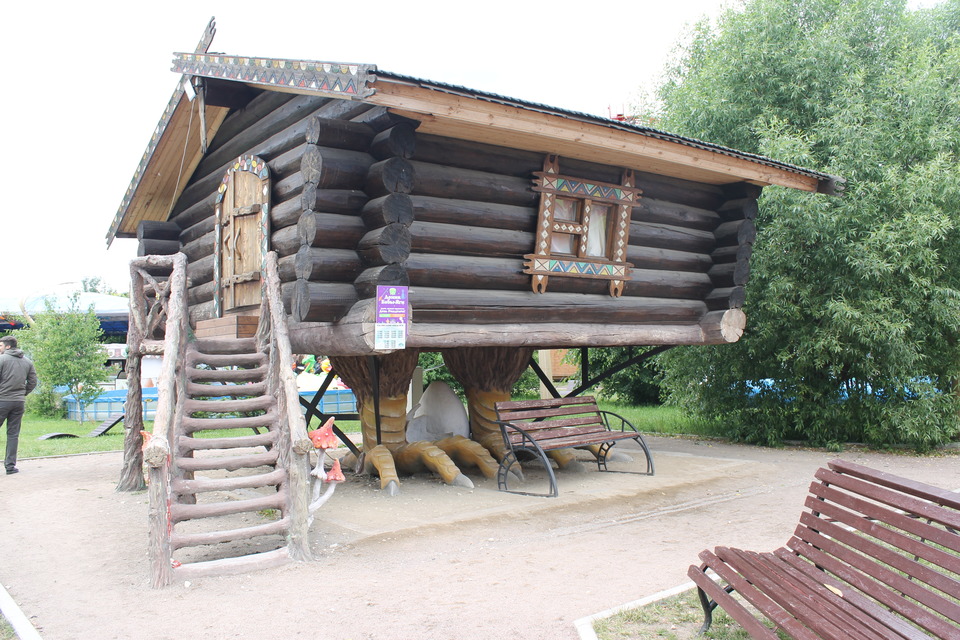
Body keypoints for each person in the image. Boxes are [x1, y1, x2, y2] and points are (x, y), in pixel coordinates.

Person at [0, 336, 38, 475]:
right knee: (13, 435)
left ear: (8, 347)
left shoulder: (2, 359)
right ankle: (10, 467)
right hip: (18, 402)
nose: (0, 348)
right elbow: (33, 381)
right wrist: (22, 394)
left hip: (2, 401)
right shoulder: (27, 361)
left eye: (1, 345)